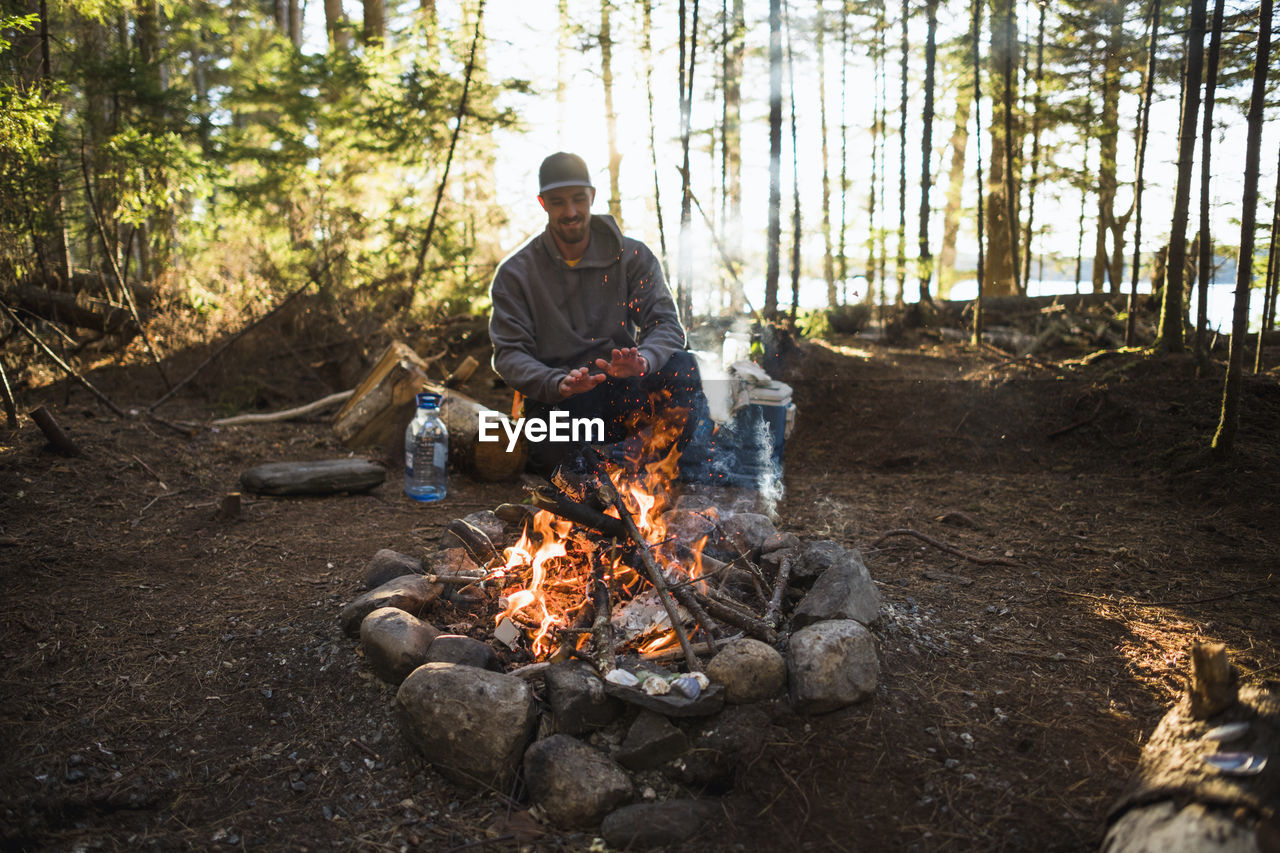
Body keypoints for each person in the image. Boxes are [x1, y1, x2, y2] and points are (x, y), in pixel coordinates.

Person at [488, 152, 711, 476]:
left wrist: (644, 360)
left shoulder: (632, 256)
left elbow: (665, 324)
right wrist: (557, 382)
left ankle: (647, 463)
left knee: (682, 365)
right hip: (562, 398)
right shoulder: (516, 273)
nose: (571, 212)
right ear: (543, 203)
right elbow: (509, 354)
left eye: (579, 199)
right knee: (563, 470)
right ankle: (610, 464)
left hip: (623, 389)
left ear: (592, 196)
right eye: (558, 202)